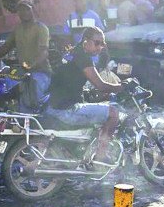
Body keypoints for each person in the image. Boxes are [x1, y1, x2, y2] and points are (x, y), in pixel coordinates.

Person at [46, 26, 126, 162]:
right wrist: (122, 87)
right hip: (67, 110)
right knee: (113, 113)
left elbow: (69, 82)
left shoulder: (72, 53)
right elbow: (100, 85)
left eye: (103, 44)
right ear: (85, 41)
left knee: (97, 107)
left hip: (53, 106)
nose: (100, 47)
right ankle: (101, 156)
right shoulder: (83, 57)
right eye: (97, 43)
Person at [0, 0, 51, 111]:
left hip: (40, 72)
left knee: (30, 102)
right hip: (23, 73)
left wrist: (31, 65)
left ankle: (38, 122)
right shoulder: (17, 29)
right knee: (1, 87)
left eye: (27, 9)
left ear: (33, 10)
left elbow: (43, 52)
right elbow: (5, 47)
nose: (23, 12)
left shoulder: (41, 28)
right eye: (20, 10)